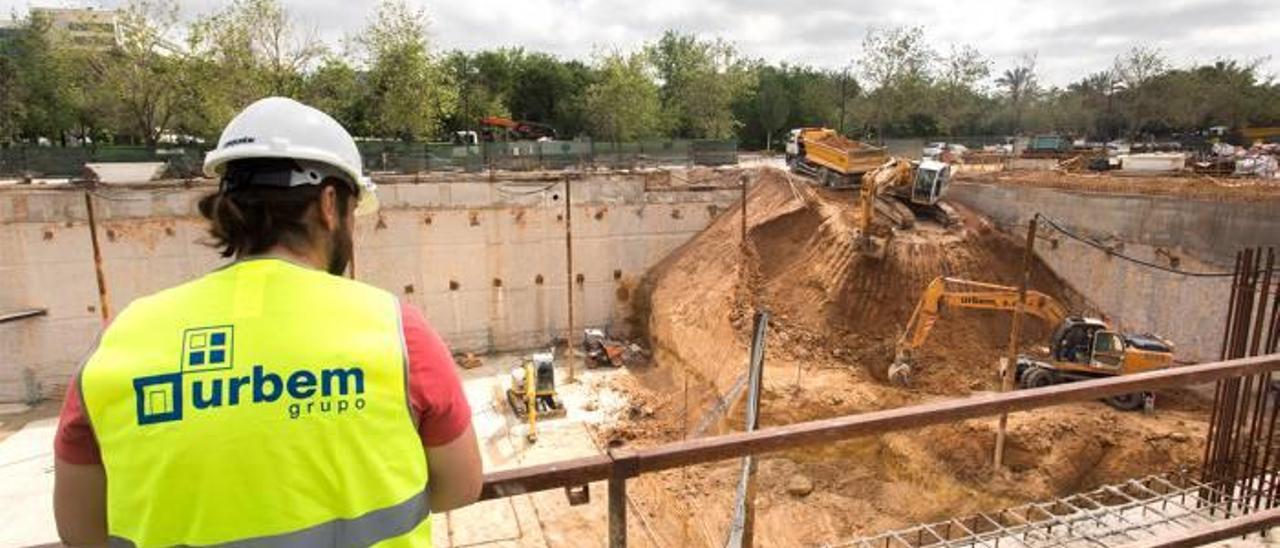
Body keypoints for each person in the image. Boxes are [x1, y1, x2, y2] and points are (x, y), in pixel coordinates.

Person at [53, 97, 482, 547]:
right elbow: (460, 486)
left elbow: (81, 533)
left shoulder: (121, 343)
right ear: (330, 204)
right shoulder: (397, 334)